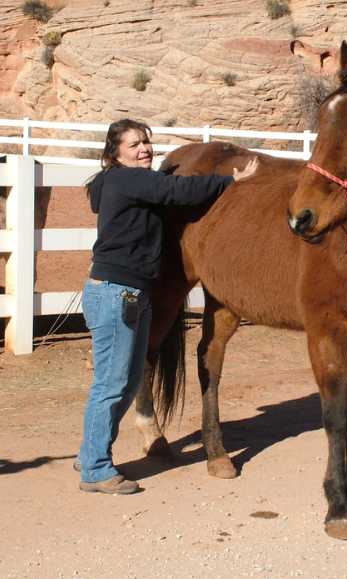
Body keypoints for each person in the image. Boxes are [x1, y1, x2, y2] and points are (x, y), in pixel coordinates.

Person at [78, 118, 258, 495]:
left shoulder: (114, 181)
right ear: (116, 154)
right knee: (111, 385)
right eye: (133, 145)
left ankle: (92, 450)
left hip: (129, 292)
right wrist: (231, 180)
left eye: (146, 142)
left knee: (125, 382)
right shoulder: (130, 179)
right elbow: (178, 190)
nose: (144, 149)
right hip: (117, 293)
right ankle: (95, 469)